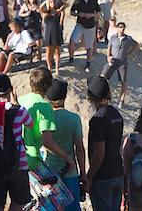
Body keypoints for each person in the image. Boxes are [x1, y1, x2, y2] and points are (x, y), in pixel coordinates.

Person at [0, 73, 34, 211]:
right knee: (18, 202)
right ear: (11, 89)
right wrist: (16, 102)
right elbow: (30, 124)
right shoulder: (20, 111)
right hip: (18, 162)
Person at [43, 78, 86, 211]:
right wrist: (83, 174)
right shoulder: (74, 119)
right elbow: (79, 149)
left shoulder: (44, 118)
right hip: (69, 173)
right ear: (64, 97)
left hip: (48, 172)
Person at [86, 75, 124, 211]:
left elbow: (99, 155)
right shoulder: (116, 114)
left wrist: (89, 177)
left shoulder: (97, 119)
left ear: (90, 96)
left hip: (103, 176)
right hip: (117, 172)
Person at [101, 21, 140, 108]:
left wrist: (130, 53)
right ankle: (105, 97)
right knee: (103, 77)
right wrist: (108, 57)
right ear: (117, 28)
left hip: (122, 62)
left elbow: (136, 45)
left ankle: (122, 99)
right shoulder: (113, 38)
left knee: (123, 81)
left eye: (123, 27)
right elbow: (109, 48)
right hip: (113, 60)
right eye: (120, 27)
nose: (122, 29)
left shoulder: (128, 39)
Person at [69, 0, 101, 70]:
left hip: (90, 25)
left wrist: (91, 15)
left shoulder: (93, 0)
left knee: (89, 46)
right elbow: (71, 12)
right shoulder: (78, 1)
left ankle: (88, 63)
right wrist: (79, 14)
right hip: (80, 24)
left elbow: (99, 12)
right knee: (72, 41)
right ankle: (71, 58)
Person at [40, 0, 66, 75]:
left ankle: (57, 68)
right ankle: (49, 67)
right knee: (48, 50)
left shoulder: (58, 11)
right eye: (51, 2)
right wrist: (47, 0)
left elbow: (65, 5)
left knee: (57, 51)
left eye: (53, 2)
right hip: (49, 32)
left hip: (57, 31)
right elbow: (40, 8)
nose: (52, 3)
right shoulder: (46, 12)